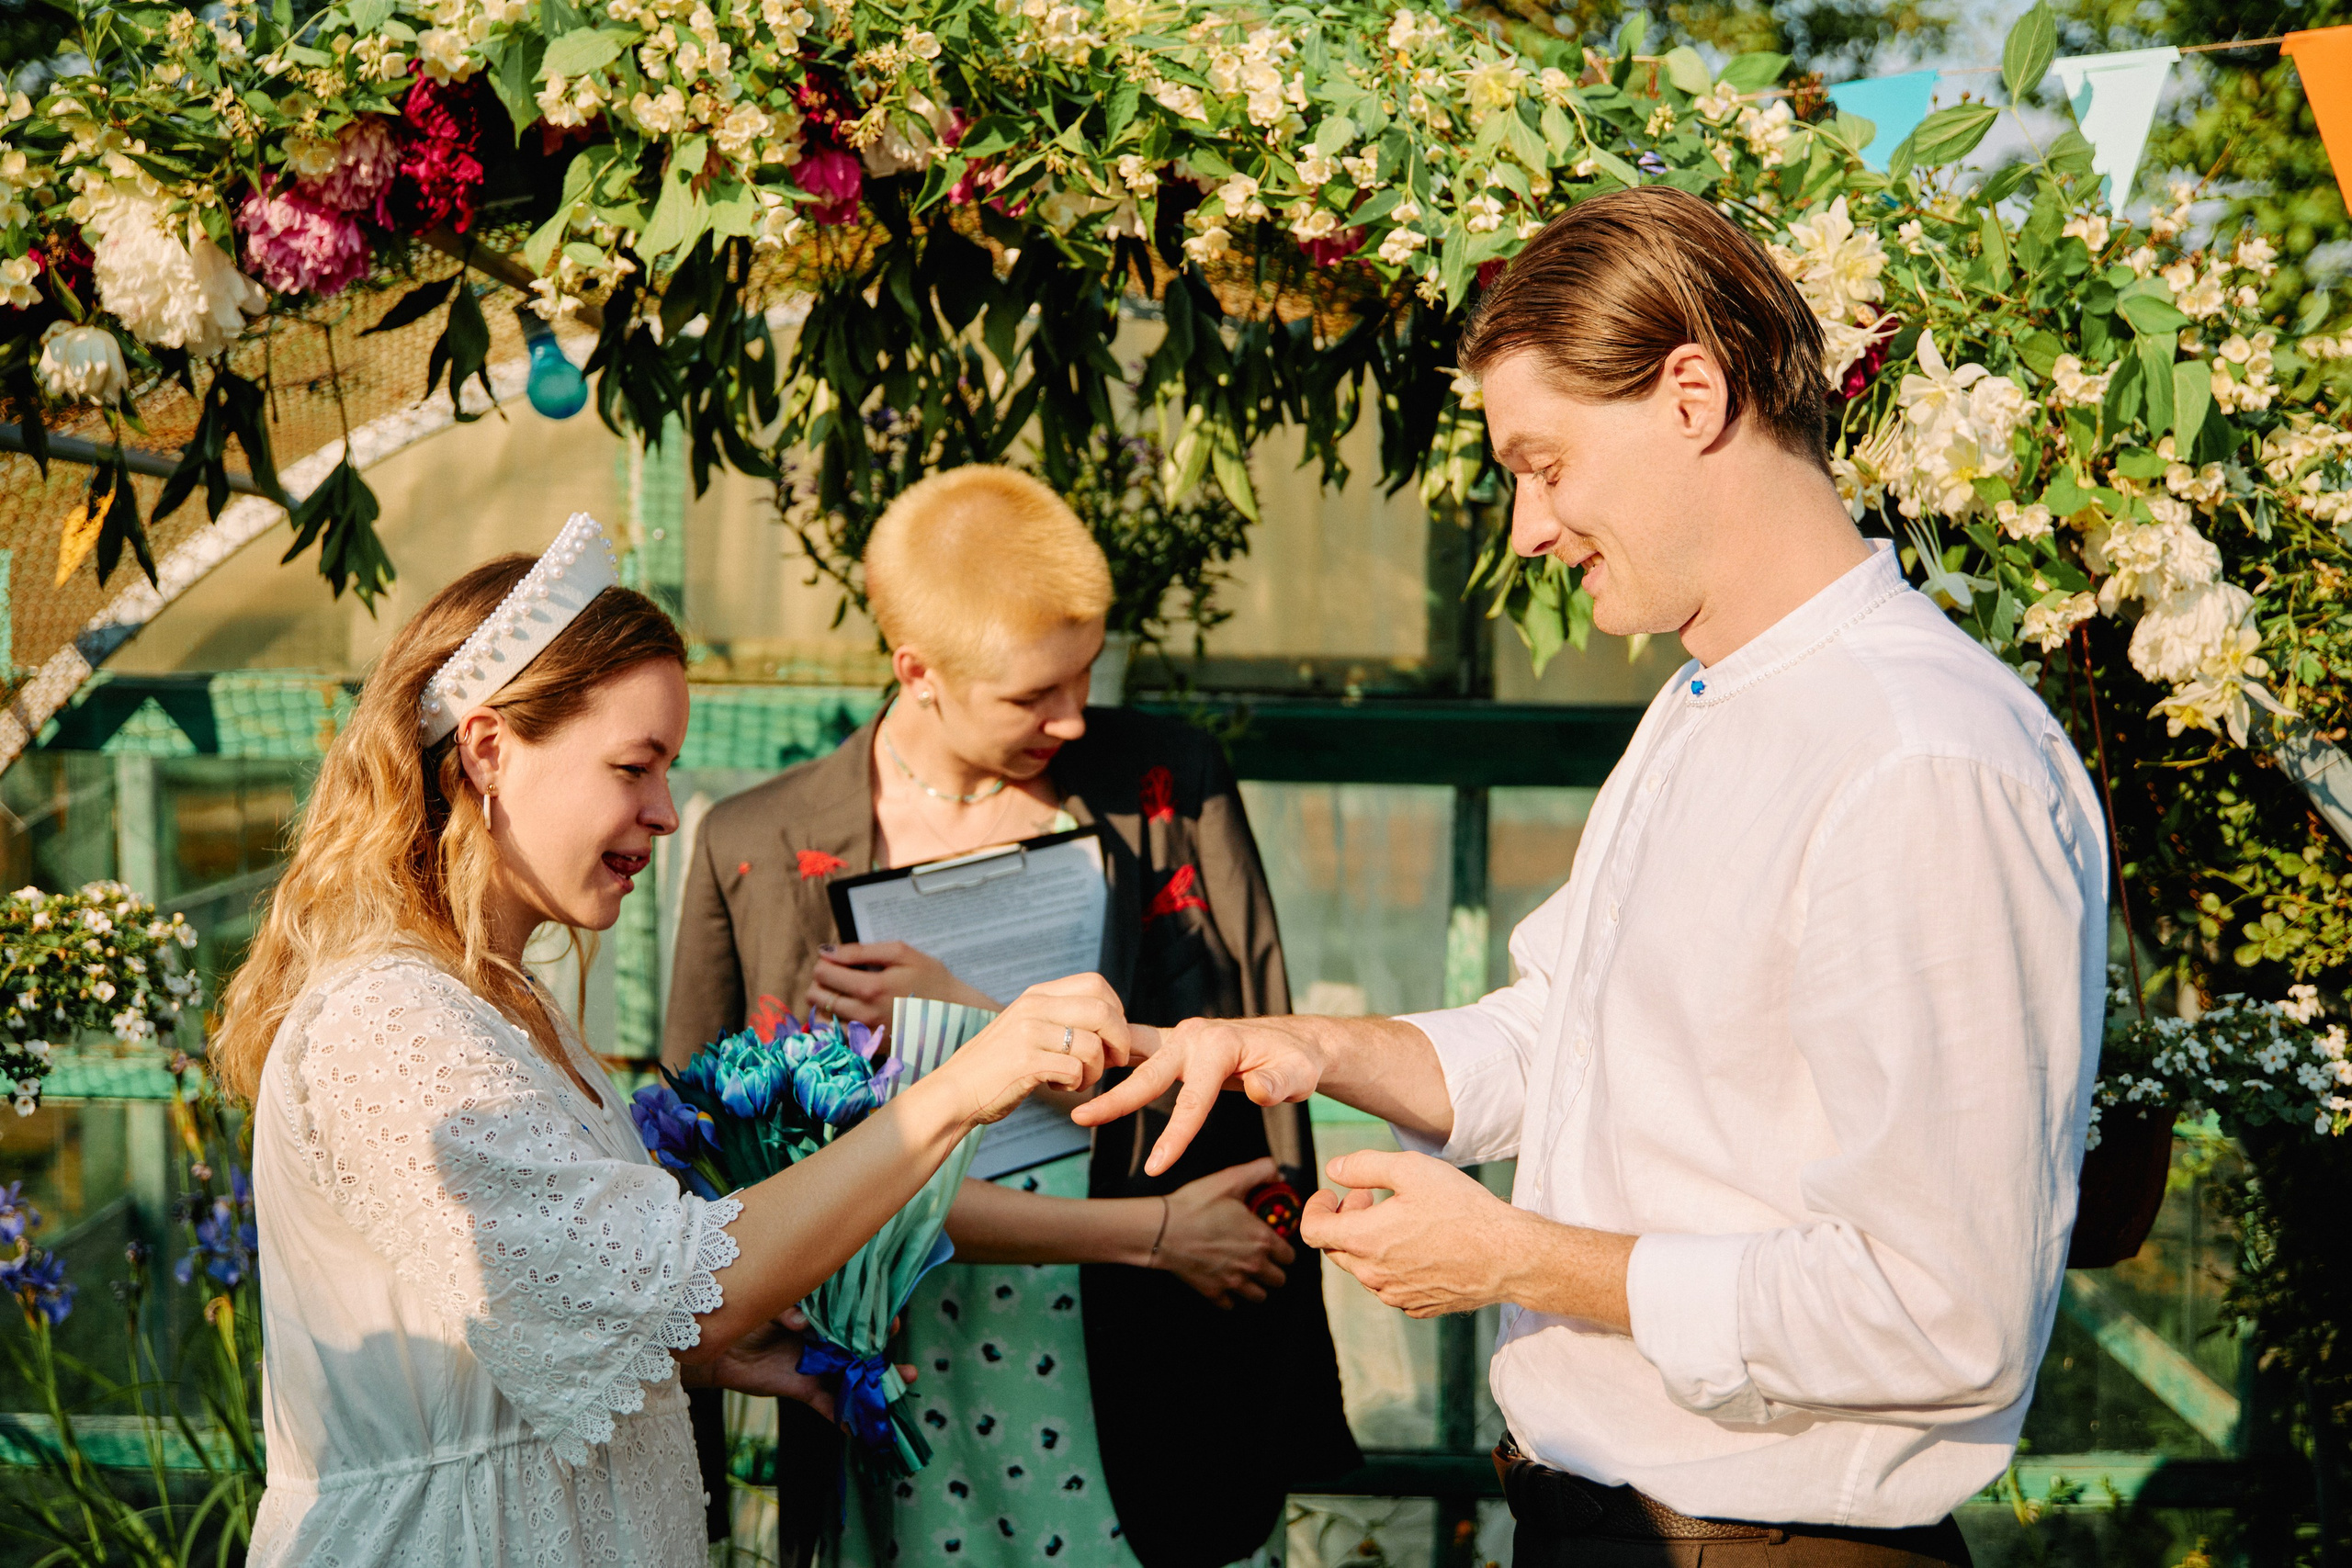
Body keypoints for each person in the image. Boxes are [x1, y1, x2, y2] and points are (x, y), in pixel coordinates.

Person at [1080, 186, 2108, 1567]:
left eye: (1546, 462)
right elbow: (1565, 1038)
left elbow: (1942, 1308)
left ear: (1692, 394)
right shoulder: (1706, 699)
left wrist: (1513, 1258)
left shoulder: (1921, 756)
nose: (1528, 527)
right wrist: (1308, 1044)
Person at [213, 515, 1127, 1568]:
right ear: (490, 748)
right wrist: (962, 1085)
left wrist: (704, 1358)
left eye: (669, 770)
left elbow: (537, 1304)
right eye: (633, 767)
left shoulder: (507, 1005)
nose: (663, 811)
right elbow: (673, 1273)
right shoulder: (390, 1022)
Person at [664, 466, 1359, 1567]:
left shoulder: (1169, 786)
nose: (1073, 717)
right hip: (898, 1370)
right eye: (1033, 696)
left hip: (1142, 1351)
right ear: (917, 672)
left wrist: (974, 1015)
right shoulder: (754, 842)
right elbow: (710, 1188)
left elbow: (1245, 1063)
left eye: (1083, 674)